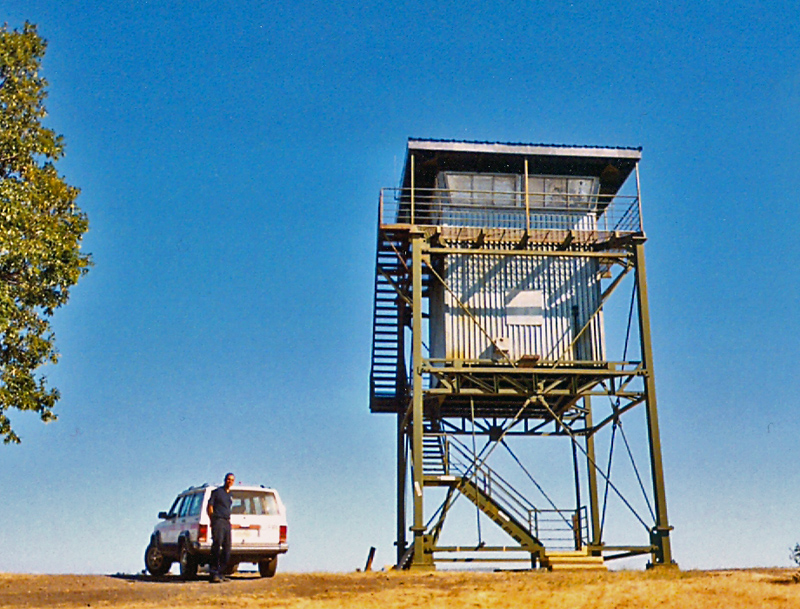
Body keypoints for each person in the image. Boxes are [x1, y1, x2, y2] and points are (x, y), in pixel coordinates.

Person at [207, 472, 235, 583]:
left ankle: (221, 572)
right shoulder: (217, 492)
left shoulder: (230, 495)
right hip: (218, 521)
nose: (230, 481)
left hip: (227, 522)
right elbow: (210, 506)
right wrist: (212, 520)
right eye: (228, 479)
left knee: (227, 548)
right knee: (216, 546)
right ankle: (213, 573)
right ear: (225, 480)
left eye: (232, 480)